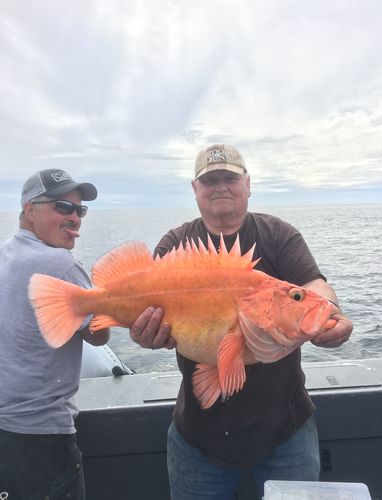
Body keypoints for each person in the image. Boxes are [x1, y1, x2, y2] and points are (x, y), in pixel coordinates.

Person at [130, 144, 353, 500]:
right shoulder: (176, 244)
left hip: (286, 430)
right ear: (195, 189)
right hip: (198, 437)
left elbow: (313, 285)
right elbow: (144, 308)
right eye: (210, 180)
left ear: (248, 184)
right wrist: (143, 334)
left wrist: (331, 309)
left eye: (230, 178)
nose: (221, 186)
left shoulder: (278, 234)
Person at [0, 169, 110, 500]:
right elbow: (98, 335)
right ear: (29, 209)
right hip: (41, 437)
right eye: (63, 207)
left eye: (80, 210)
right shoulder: (60, 264)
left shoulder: (6, 254)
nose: (74, 217)